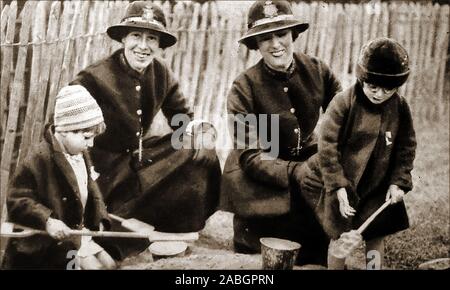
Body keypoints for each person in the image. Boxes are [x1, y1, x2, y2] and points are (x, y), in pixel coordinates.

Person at [70, 1, 221, 260]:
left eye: (151, 38)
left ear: (159, 45)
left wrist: (203, 134)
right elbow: (61, 129)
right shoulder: (94, 77)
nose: (143, 46)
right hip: (103, 172)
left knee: (197, 151)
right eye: (136, 36)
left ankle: (173, 234)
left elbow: (183, 120)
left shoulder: (160, 72)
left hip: (139, 161)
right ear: (123, 39)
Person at [220, 0, 342, 266]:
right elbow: (250, 154)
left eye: (281, 34)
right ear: (256, 45)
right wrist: (294, 171)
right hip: (262, 170)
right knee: (260, 253)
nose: (276, 44)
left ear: (293, 35)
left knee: (313, 251)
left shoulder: (318, 70)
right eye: (265, 38)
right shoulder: (243, 87)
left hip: (307, 163)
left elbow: (344, 114)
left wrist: (324, 152)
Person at [297, 37, 417, 269]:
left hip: (377, 185)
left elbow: (406, 146)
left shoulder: (400, 107)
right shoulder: (343, 103)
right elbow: (327, 147)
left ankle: (373, 268)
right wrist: (338, 186)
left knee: (375, 235)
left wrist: (398, 182)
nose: (379, 94)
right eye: (373, 87)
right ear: (362, 78)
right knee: (339, 238)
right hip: (343, 181)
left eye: (388, 89)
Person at [3, 85, 116, 270]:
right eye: (87, 137)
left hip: (77, 234)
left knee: (109, 265)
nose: (91, 144)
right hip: (46, 243)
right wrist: (48, 221)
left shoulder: (80, 153)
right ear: (65, 130)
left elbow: (92, 190)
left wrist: (100, 218)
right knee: (95, 269)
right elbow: (17, 200)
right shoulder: (39, 159)